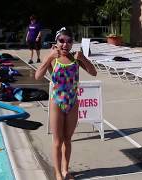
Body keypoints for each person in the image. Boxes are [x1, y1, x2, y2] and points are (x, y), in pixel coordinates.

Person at [35, 27, 97, 180]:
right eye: (61, 41)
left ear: (72, 43)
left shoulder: (76, 58)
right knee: (57, 140)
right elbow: (37, 76)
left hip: (72, 102)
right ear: (56, 42)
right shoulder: (53, 58)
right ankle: (57, 173)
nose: (65, 44)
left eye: (69, 41)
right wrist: (49, 58)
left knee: (68, 139)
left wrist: (84, 58)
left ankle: (65, 170)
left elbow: (93, 72)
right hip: (57, 102)